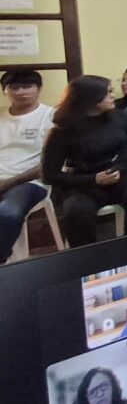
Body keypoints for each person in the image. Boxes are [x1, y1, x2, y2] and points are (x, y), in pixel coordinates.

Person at [43, 76, 127, 247]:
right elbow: (50, 175)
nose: (113, 95)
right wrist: (94, 179)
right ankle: (89, 259)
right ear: (92, 99)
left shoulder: (122, 117)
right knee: (76, 211)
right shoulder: (63, 131)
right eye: (108, 92)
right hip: (85, 184)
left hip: (124, 176)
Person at [0, 70, 54, 263]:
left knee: (8, 213)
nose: (21, 91)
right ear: (5, 90)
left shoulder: (50, 117)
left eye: (28, 86)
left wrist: (9, 182)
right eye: (14, 87)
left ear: (39, 89)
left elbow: (51, 164)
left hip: (31, 183)